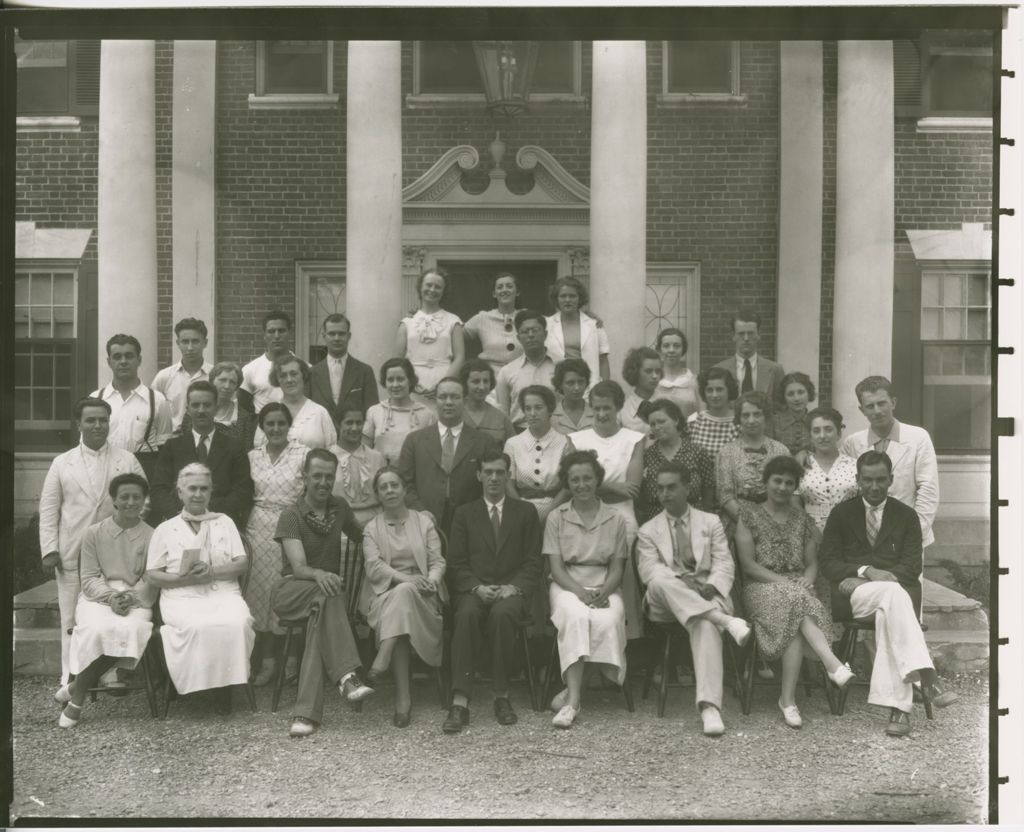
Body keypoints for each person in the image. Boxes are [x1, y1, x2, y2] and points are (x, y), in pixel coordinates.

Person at [819, 451, 957, 737]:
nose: (874, 486)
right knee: (893, 596)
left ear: (891, 479)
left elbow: (911, 566)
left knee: (888, 610)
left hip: (893, 598)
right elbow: (828, 562)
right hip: (853, 598)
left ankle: (900, 711)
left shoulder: (906, 516)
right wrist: (866, 572)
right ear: (857, 480)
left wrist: (876, 580)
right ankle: (927, 678)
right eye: (867, 480)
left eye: (881, 479)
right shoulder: (841, 514)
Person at [734, 455, 853, 728]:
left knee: (795, 611)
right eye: (777, 481)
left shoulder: (802, 519)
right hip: (760, 588)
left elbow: (811, 564)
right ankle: (832, 664)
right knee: (795, 600)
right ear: (766, 482)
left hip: (796, 591)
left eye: (790, 483)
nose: (783, 487)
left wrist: (807, 580)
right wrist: (786, 583)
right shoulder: (748, 515)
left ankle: (788, 701)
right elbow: (749, 565)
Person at [635, 462, 752, 736]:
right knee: (659, 579)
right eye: (661, 488)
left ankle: (709, 707)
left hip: (706, 594)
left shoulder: (711, 522)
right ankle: (725, 620)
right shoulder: (648, 530)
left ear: (687, 488)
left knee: (703, 623)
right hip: (665, 601)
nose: (665, 494)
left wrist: (712, 586)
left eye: (672, 487)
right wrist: (682, 583)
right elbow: (648, 571)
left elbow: (724, 563)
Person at [39, 397, 146, 687]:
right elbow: (49, 508)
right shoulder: (62, 463)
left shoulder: (127, 460)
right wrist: (50, 549)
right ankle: (69, 677)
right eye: (91, 420)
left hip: (116, 553)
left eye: (102, 420)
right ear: (79, 424)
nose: (98, 425)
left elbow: (142, 502)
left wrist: (131, 534)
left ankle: (109, 673)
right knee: (72, 620)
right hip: (73, 551)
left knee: (112, 613)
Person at [272, 449, 374, 737]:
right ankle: (346, 675)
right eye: (317, 475)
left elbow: (363, 538)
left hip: (324, 598)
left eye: (329, 476)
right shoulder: (290, 515)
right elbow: (300, 566)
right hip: (292, 591)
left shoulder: (339, 508)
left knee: (323, 610)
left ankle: (305, 715)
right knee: (327, 595)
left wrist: (393, 536)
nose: (323, 482)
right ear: (305, 476)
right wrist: (321, 574)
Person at [444, 450, 543, 733]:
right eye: (488, 472)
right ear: (479, 476)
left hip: (511, 592)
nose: (494, 478)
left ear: (508, 475)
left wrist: (514, 587)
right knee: (465, 616)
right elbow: (456, 562)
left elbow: (533, 561)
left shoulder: (525, 512)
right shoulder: (464, 513)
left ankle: (501, 696)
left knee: (502, 615)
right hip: (474, 589)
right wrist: (476, 587)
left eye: (500, 472)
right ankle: (460, 701)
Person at [145, 464, 254, 707]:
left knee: (238, 622)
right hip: (181, 596)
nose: (198, 494)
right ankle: (198, 686)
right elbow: (152, 575)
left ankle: (225, 685)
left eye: (204, 489)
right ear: (180, 492)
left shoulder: (224, 522)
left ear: (211, 492)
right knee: (197, 624)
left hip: (222, 591)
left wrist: (212, 572)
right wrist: (186, 579)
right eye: (192, 488)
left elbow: (242, 563)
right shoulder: (165, 529)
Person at [56, 474, 156, 728]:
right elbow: (88, 577)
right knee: (97, 628)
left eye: (137, 497)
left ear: (144, 500)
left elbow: (151, 578)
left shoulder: (153, 535)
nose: (131, 502)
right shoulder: (93, 533)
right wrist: (111, 597)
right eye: (124, 497)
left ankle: (77, 691)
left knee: (131, 628)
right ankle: (78, 695)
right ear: (114, 500)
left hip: (137, 599)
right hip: (97, 597)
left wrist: (129, 598)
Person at [544, 451, 629, 729]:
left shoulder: (615, 518)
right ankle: (573, 703)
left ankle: (572, 688)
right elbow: (556, 569)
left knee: (608, 619)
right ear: (568, 483)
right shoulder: (557, 516)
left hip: (604, 585)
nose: (582, 485)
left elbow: (617, 567)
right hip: (567, 585)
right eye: (575, 480)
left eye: (587, 478)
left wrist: (604, 592)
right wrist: (581, 593)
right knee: (577, 617)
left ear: (597, 480)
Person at [361, 468, 447, 728]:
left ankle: (391, 676)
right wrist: (406, 580)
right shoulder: (372, 528)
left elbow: (437, 561)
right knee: (403, 595)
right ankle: (402, 693)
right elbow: (373, 567)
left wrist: (431, 581)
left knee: (403, 606)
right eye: (383, 487)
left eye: (394, 485)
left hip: (425, 596)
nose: (389, 491)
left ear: (404, 490)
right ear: (377, 494)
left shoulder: (424, 522)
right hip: (385, 595)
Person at [570, 380, 645, 639]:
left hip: (622, 515)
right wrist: (613, 484)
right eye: (597, 408)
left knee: (623, 578)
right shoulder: (576, 440)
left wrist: (595, 486)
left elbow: (632, 488)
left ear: (618, 408)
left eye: (608, 408)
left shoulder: (634, 439)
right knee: (588, 573)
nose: (602, 414)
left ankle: (629, 638)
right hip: (585, 515)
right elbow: (574, 487)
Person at [244, 402, 309, 687]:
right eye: (269, 424)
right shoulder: (252, 456)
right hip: (257, 530)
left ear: (289, 424)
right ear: (262, 426)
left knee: (288, 592)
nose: (275, 429)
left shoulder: (303, 453)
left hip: (292, 527)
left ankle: (292, 660)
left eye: (281, 423)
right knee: (260, 596)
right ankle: (267, 660)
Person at [840, 376, 940, 550]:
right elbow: (846, 488)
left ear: (893, 402)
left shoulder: (918, 437)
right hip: (865, 537)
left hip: (908, 536)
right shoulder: (853, 443)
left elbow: (928, 490)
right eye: (870, 406)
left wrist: (913, 532)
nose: (877, 411)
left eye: (882, 403)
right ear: (862, 410)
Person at [397, 376, 496, 537]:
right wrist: (420, 510)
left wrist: (476, 515)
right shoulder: (415, 440)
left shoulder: (484, 442)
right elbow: (404, 483)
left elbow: (492, 483)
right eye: (443, 397)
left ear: (465, 401)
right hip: (424, 522)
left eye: (455, 397)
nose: (448, 402)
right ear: (435, 401)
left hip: (471, 525)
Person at [150, 381, 253, 528]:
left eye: (207, 405)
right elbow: (159, 489)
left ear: (216, 408)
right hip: (180, 524)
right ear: (188, 410)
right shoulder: (172, 447)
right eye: (195, 405)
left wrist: (210, 515)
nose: (201, 410)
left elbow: (243, 490)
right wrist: (182, 515)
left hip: (221, 524)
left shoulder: (234, 446)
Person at [716, 391, 791, 538]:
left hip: (776, 521)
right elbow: (725, 496)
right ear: (739, 419)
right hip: (737, 524)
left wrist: (772, 523)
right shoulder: (727, 452)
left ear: (766, 417)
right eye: (745, 415)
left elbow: (788, 492)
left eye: (757, 414)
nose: (751, 420)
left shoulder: (780, 450)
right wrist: (751, 524)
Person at [92, 334, 173, 462]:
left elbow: (165, 445)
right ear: (109, 362)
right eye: (117, 357)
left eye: (129, 356)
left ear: (139, 360)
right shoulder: (96, 399)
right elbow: (87, 443)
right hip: (104, 467)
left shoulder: (158, 400)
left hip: (144, 469)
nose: (123, 361)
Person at [636, 399, 715, 524]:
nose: (657, 427)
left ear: (676, 420)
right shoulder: (647, 455)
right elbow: (640, 496)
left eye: (661, 421)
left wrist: (704, 517)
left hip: (694, 521)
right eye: (652, 424)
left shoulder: (697, 452)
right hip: (656, 523)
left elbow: (708, 488)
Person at [504, 385, 573, 526]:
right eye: (528, 409)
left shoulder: (564, 443)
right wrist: (521, 513)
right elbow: (508, 484)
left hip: (556, 510)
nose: (532, 413)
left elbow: (567, 487)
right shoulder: (512, 444)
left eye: (538, 407)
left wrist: (547, 515)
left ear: (550, 409)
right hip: (519, 511)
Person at [396, 267, 465, 401]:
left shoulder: (453, 321)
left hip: (445, 380)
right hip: (413, 383)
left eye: (438, 287)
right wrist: (411, 383)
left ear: (443, 291)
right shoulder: (406, 323)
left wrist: (443, 385)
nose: (432, 290)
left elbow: (460, 357)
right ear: (420, 287)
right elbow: (398, 361)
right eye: (428, 285)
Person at [308, 313, 379, 432]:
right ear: (324, 336)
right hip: (321, 439)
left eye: (341, 334)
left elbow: (372, 413)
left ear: (349, 336)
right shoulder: (311, 373)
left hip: (354, 439)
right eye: (332, 334)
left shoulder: (364, 371)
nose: (336, 338)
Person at [363, 358, 437, 465]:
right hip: (381, 475)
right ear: (385, 382)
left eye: (400, 379)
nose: (395, 385)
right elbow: (365, 451)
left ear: (410, 380)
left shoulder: (426, 414)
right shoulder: (375, 411)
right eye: (390, 380)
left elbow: (431, 455)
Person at [253, 355, 337, 450]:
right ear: (277, 380)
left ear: (303, 375)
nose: (289, 380)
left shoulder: (320, 413)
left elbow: (332, 449)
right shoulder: (269, 413)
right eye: (283, 376)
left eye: (294, 374)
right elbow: (259, 448)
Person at [798, 407, 860, 533]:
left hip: (849, 532)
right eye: (816, 431)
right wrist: (812, 531)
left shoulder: (855, 466)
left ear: (839, 434)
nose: (822, 436)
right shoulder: (801, 465)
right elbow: (794, 503)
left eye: (828, 429)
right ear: (810, 436)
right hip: (810, 534)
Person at [494, 310, 558, 432]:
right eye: (525, 331)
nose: (530, 335)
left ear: (545, 334)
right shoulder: (507, 372)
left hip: (556, 431)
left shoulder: (561, 366)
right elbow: (503, 414)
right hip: (519, 433)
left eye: (535, 330)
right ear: (518, 338)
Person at [545, 275, 609, 390]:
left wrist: (605, 388)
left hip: (589, 387)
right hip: (557, 387)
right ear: (557, 299)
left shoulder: (594, 325)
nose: (567, 300)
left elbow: (603, 360)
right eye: (563, 296)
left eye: (572, 296)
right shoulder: (546, 325)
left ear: (579, 298)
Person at [151, 318, 214, 432]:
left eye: (195, 341)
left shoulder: (215, 376)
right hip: (172, 441)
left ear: (205, 343)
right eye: (185, 342)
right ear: (178, 343)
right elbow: (153, 413)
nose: (190, 348)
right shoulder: (164, 377)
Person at [328, 408, 387, 528]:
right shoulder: (327, 458)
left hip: (375, 524)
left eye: (359, 423)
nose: (354, 428)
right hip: (338, 525)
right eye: (349, 423)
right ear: (338, 424)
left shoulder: (377, 458)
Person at [180, 361, 258, 450]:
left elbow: (246, 450)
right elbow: (185, 444)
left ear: (236, 387)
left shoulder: (244, 418)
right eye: (222, 380)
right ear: (212, 381)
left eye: (232, 382)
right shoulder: (195, 411)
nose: (227, 386)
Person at [711, 311, 785, 402]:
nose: (746, 338)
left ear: (758, 335)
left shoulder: (775, 369)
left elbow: (782, 407)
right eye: (741, 334)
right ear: (733, 336)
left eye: (750, 333)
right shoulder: (719, 369)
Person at [463, 272, 524, 376]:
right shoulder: (482, 318)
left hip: (521, 374)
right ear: (494, 294)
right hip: (491, 378)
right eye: (500, 287)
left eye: (509, 286)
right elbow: (455, 335)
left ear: (517, 292)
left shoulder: (526, 317)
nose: (504, 290)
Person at [240, 311, 295, 415]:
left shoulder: (304, 367)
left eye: (281, 331)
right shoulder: (250, 370)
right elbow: (244, 410)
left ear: (290, 334)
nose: (277, 336)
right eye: (271, 331)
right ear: (264, 335)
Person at [687, 367, 740, 458]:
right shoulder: (695, 422)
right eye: (709, 390)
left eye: (719, 389)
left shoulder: (739, 422)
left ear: (729, 391)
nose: (714, 395)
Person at [460, 358, 515, 445]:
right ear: (464, 384)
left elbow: (512, 451)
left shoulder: (502, 418)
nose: (482, 387)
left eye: (486, 381)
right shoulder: (455, 415)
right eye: (476, 382)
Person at [653, 327, 701, 421]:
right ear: (659, 350)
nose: (671, 350)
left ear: (683, 349)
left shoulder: (695, 381)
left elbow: (701, 414)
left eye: (676, 346)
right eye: (666, 346)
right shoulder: (652, 380)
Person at [767, 371, 815, 457]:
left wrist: (806, 453)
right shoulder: (773, 422)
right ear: (784, 397)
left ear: (809, 393)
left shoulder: (816, 421)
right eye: (790, 394)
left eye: (801, 392)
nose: (796, 398)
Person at [619, 346, 664, 434]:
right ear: (635, 372)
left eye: (658, 371)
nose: (655, 376)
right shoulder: (623, 411)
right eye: (648, 371)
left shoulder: (667, 403)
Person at [550, 358, 594, 435]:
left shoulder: (595, 413)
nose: (577, 388)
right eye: (570, 383)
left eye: (581, 382)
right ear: (560, 385)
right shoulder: (551, 416)